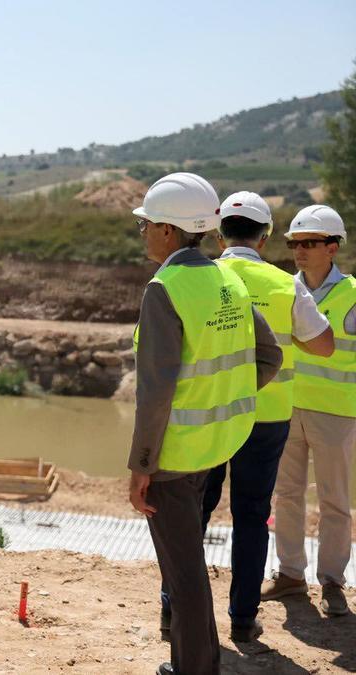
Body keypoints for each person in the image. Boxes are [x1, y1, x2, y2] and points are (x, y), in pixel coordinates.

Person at [128, 173, 282, 674]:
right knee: (188, 567)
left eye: (147, 225)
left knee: (184, 575)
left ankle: (195, 667)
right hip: (218, 443)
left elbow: (155, 394)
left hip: (174, 455)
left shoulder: (164, 289)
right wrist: (224, 398)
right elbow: (269, 356)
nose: (144, 233)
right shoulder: (228, 280)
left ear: (168, 230)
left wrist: (141, 467)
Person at [172, 191, 334, 644]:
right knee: (251, 516)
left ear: (218, 235)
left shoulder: (200, 279)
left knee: (194, 512)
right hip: (266, 419)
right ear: (264, 239)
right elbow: (323, 345)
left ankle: (174, 612)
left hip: (207, 415)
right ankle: (243, 620)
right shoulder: (285, 285)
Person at [262, 205, 356, 617]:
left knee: (335, 500)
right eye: (294, 243)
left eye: (309, 243)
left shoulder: (353, 294)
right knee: (286, 495)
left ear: (332, 248)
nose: (299, 250)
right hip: (287, 407)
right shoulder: (285, 291)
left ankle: (332, 581)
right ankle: (290, 574)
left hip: (337, 413)